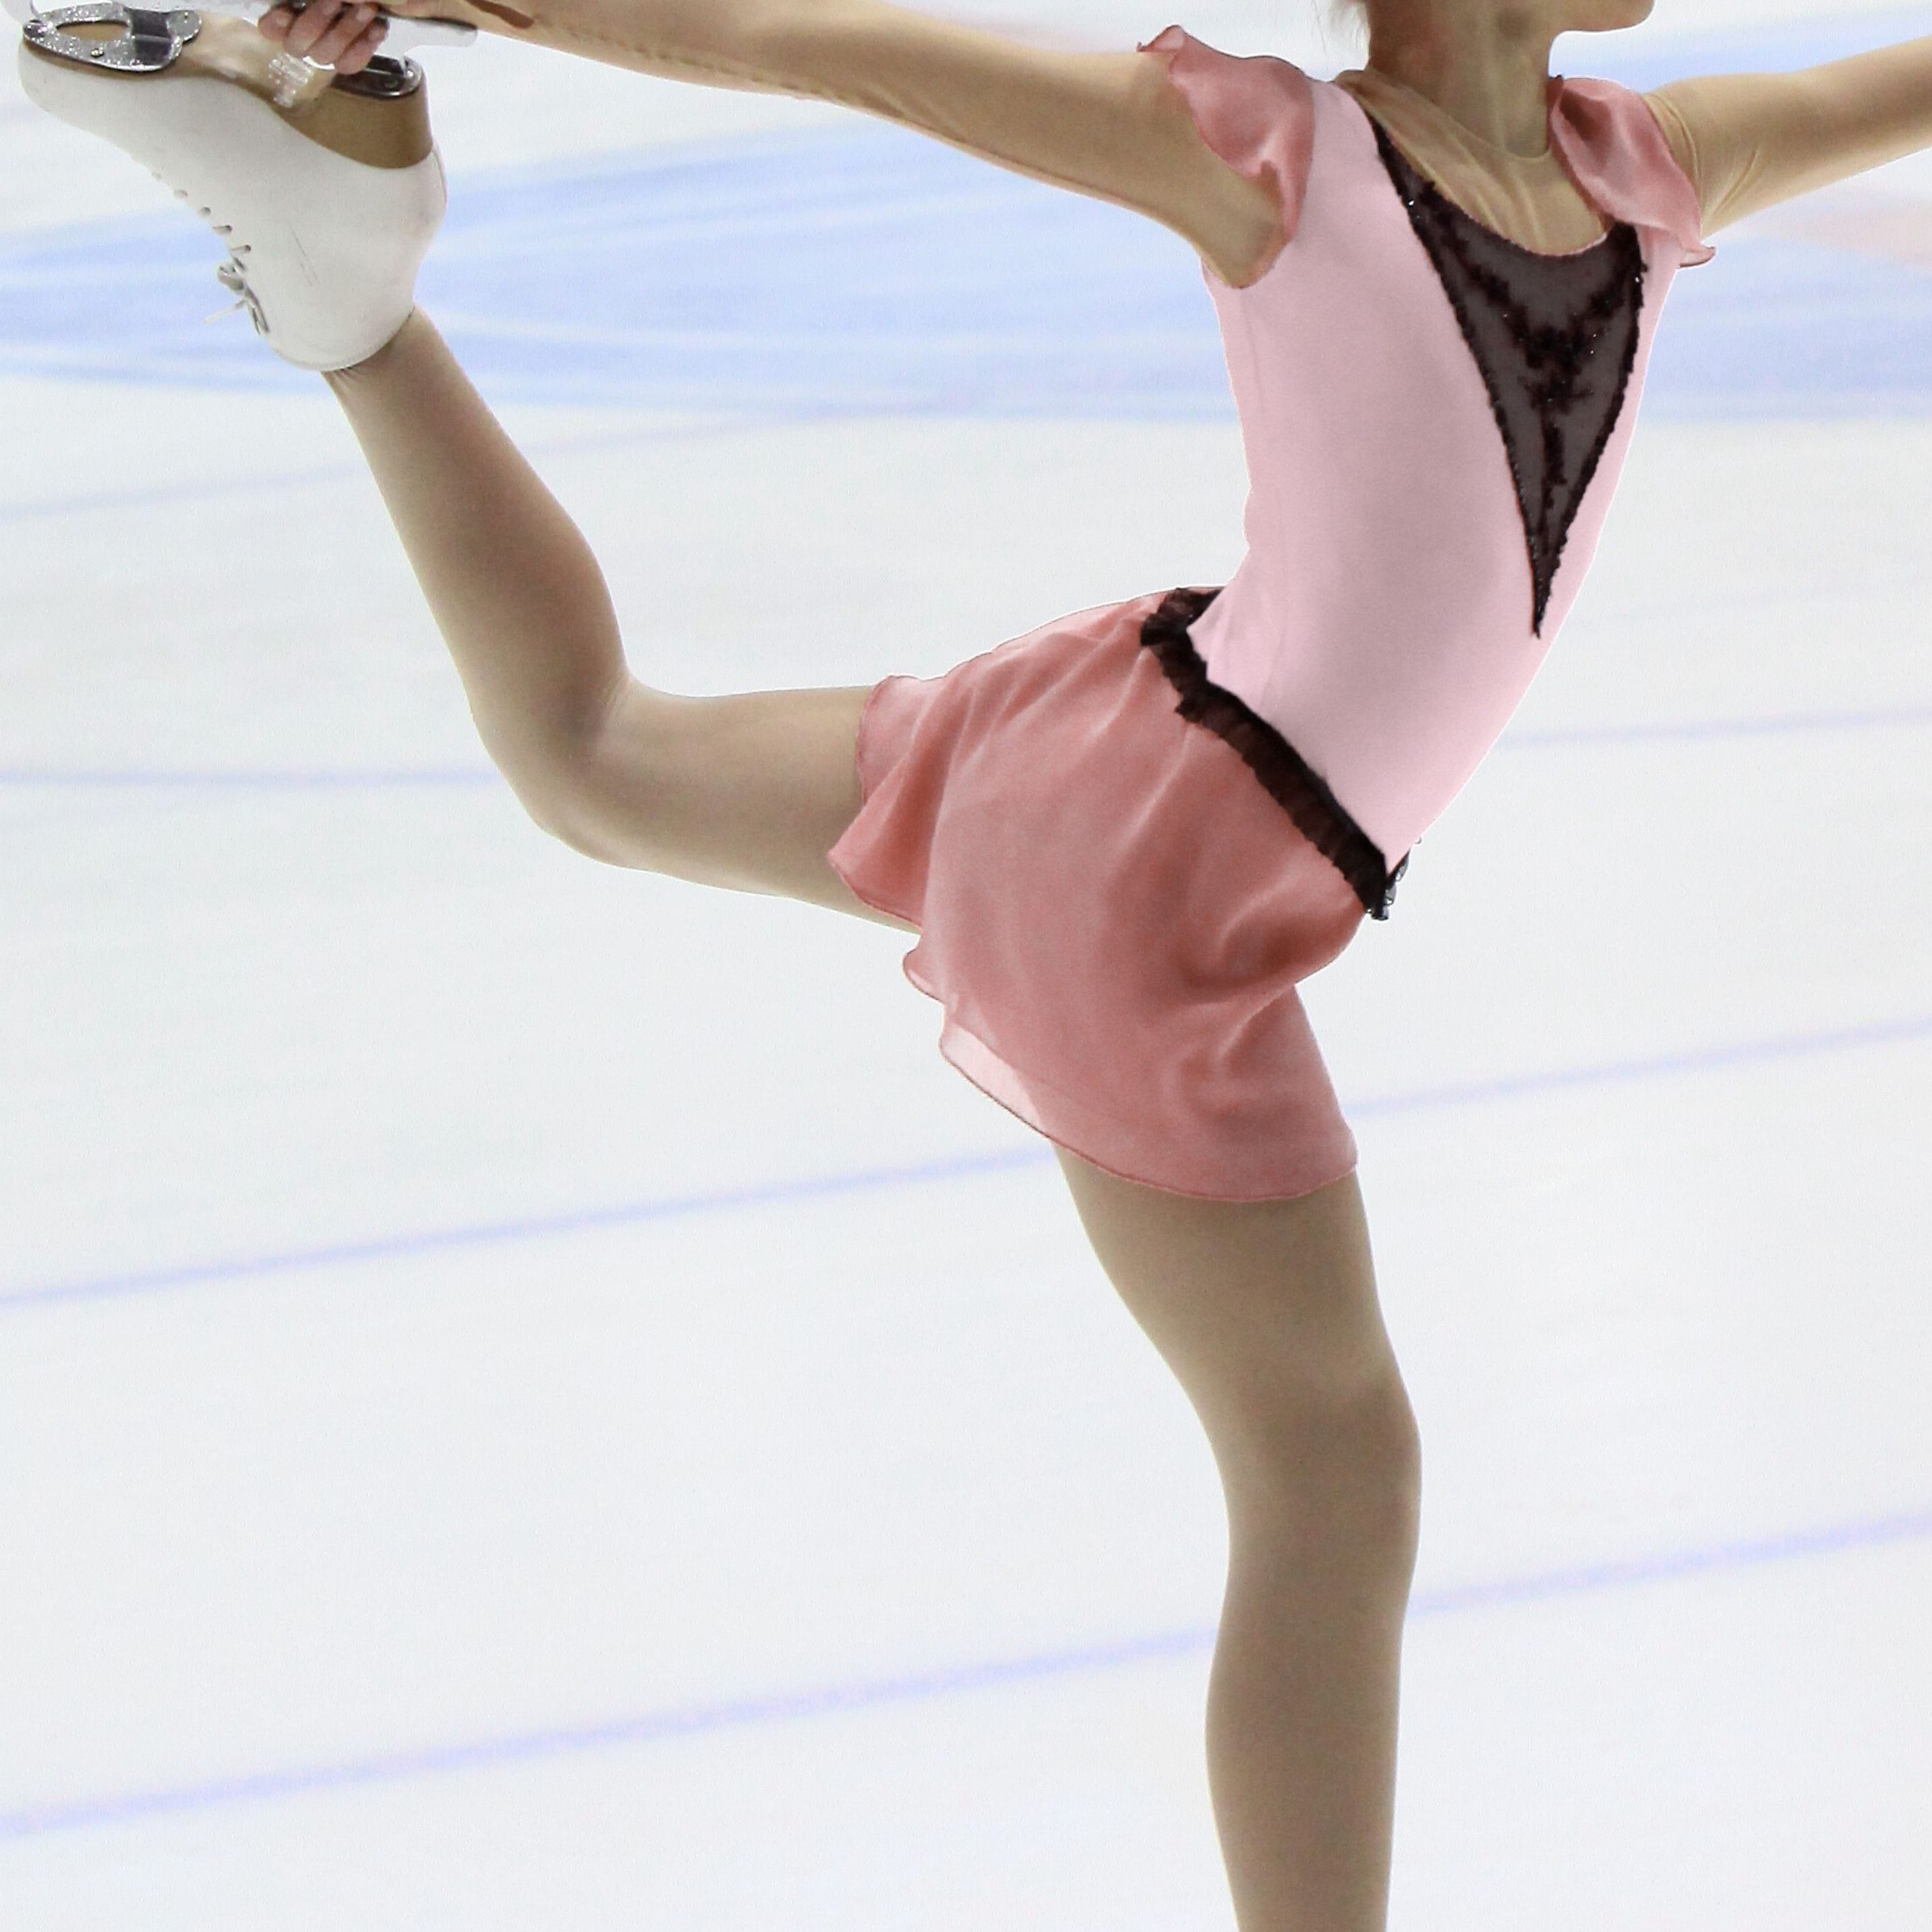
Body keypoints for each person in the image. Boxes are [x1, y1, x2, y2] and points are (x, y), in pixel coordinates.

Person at [18, 0, 1932, 1922]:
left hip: (1125, 756)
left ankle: (349, 299)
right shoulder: (1271, 155)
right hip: (1161, 886)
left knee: (596, 757)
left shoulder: (1648, 168)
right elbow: (798, 39)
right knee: (1330, 1469)